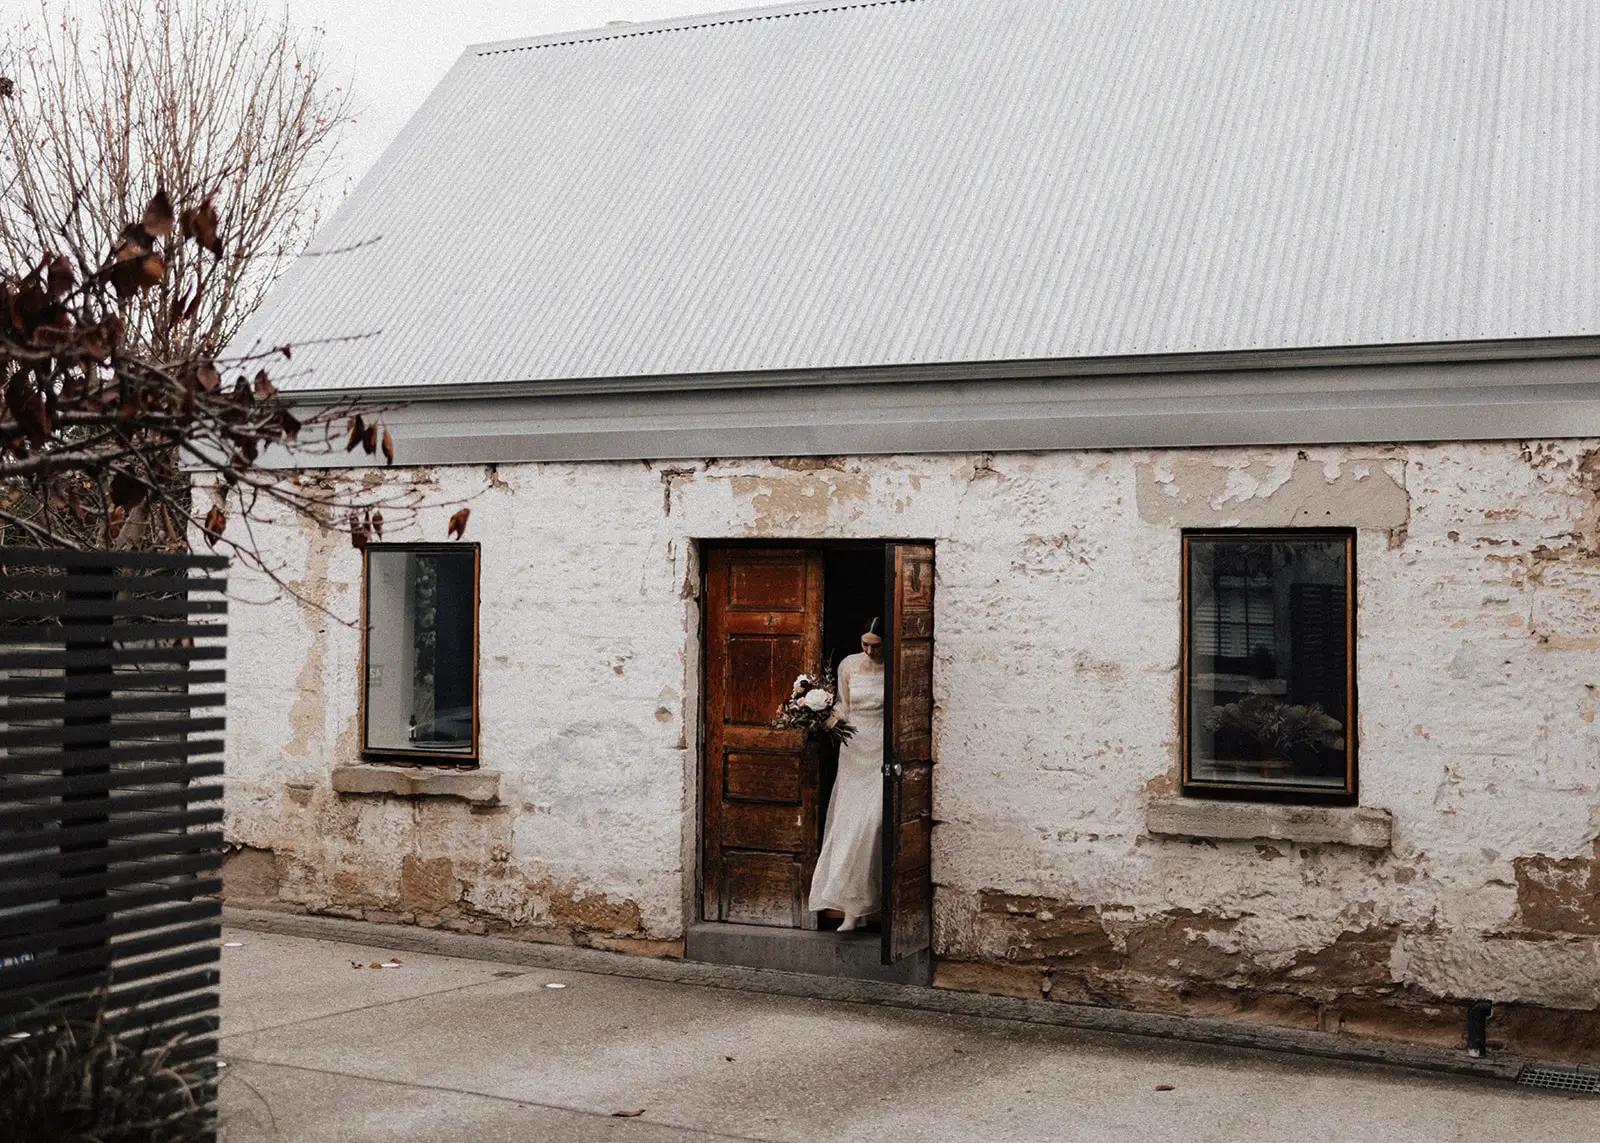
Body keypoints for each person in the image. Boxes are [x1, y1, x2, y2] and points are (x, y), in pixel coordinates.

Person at [808, 617, 885, 931]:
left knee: (874, 823)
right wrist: (823, 715)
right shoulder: (849, 665)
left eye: (875, 645)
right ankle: (852, 910)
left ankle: (872, 906)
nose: (868, 650)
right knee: (850, 822)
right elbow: (844, 704)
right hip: (854, 747)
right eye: (864, 643)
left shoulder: (895, 667)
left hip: (881, 745)